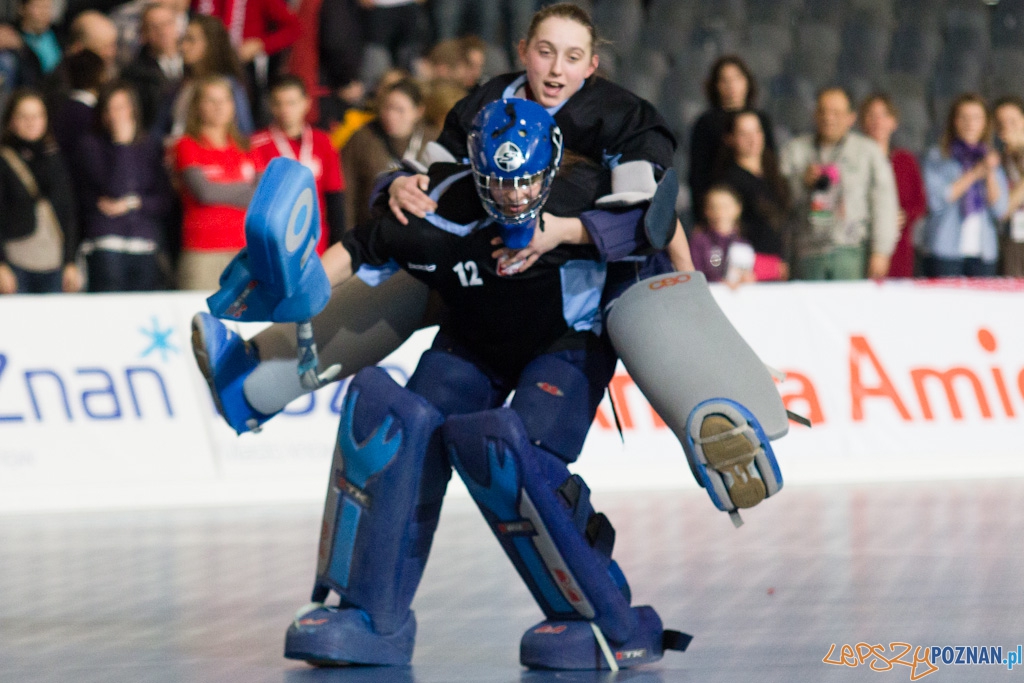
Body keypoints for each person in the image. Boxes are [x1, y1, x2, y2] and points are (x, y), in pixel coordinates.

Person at [196, 98, 700, 670]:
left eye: (525, 181)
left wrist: (697, 320)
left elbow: (655, 227)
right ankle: (371, 617)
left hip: (566, 343)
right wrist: (292, 295)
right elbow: (364, 247)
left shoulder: (583, 194)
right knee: (395, 425)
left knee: (515, 453)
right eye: (498, 183)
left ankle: (608, 618)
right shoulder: (441, 206)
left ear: (551, 169)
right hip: (475, 341)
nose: (513, 196)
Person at [780, 86, 900, 280]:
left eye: (836, 112)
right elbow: (780, 206)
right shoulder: (795, 151)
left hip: (851, 250)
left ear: (851, 117)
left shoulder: (868, 151)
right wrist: (801, 182)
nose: (828, 118)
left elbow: (884, 204)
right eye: (823, 111)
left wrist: (881, 251)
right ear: (814, 115)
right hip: (806, 252)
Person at [76, 81, 172, 291]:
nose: (115, 114)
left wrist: (133, 203)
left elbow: (164, 201)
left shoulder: (150, 146)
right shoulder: (90, 146)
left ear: (133, 110)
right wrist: (121, 145)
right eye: (109, 108)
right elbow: (114, 188)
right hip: (107, 242)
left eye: (121, 107)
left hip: (144, 243)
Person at [172, 74, 257, 289]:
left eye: (225, 100)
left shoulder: (248, 147)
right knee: (200, 318)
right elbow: (204, 192)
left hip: (245, 250)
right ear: (198, 106)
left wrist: (220, 190)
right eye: (211, 100)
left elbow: (262, 195)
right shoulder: (187, 145)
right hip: (203, 251)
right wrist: (246, 191)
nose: (219, 107)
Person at [250, 75, 344, 255]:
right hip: (274, 243)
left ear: (306, 103)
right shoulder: (256, 144)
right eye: (279, 103)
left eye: (291, 103)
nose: (285, 110)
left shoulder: (323, 142)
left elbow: (335, 197)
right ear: (271, 106)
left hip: (316, 242)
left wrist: (336, 244)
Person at [0, 87, 81, 293]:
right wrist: (1, 264)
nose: (31, 122)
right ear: (11, 120)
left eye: (37, 116)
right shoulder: (4, 160)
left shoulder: (55, 159)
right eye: (23, 116)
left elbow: (68, 213)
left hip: (53, 261)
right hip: (16, 261)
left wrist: (70, 261)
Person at [921, 93, 1008, 277]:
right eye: (964, 117)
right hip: (945, 249)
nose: (970, 124)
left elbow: (999, 209)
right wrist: (976, 173)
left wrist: (990, 172)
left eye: (976, 118)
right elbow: (936, 200)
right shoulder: (939, 157)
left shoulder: (990, 158)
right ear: (954, 121)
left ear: (985, 123)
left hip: (983, 251)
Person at [688, 55, 776, 215]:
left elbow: (771, 162)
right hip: (720, 204)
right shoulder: (706, 123)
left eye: (737, 78)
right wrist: (702, 215)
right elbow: (698, 174)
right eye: (724, 80)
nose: (732, 86)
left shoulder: (762, 118)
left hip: (760, 200)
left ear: (747, 81)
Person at [341, 77, 429, 228]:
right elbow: (346, 193)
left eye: (400, 110)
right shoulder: (363, 138)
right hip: (371, 232)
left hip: (418, 234)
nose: (391, 116)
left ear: (418, 111)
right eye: (387, 108)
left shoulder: (430, 140)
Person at [714, 109, 790, 281]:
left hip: (780, 267)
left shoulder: (775, 175)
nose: (753, 139)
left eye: (757, 131)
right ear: (730, 138)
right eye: (744, 133)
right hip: (747, 273)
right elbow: (727, 233)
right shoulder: (728, 181)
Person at [859, 93, 927, 278]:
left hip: (899, 246)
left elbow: (920, 203)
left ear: (893, 122)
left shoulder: (905, 160)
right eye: (871, 115)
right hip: (861, 242)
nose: (877, 121)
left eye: (883, 115)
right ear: (862, 122)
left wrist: (904, 216)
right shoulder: (854, 161)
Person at [155, 14, 253, 140]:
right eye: (182, 40)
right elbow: (160, 129)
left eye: (191, 40)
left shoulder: (228, 85)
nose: (183, 47)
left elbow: (243, 133)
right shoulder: (179, 86)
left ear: (211, 43)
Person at [121, 1, 185, 131]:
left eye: (167, 23)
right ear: (143, 34)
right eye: (155, 27)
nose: (163, 31)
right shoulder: (134, 73)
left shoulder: (194, 61)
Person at [690, 184, 756, 286]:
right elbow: (694, 273)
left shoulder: (744, 244)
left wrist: (747, 279)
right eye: (714, 207)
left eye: (726, 207)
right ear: (706, 210)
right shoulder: (699, 242)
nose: (720, 212)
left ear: (738, 208)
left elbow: (747, 272)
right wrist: (720, 283)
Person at [993, 95, 1024, 277]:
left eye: (1012, 121)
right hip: (1012, 242)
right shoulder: (997, 163)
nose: (1006, 128)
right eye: (1001, 123)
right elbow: (1003, 210)